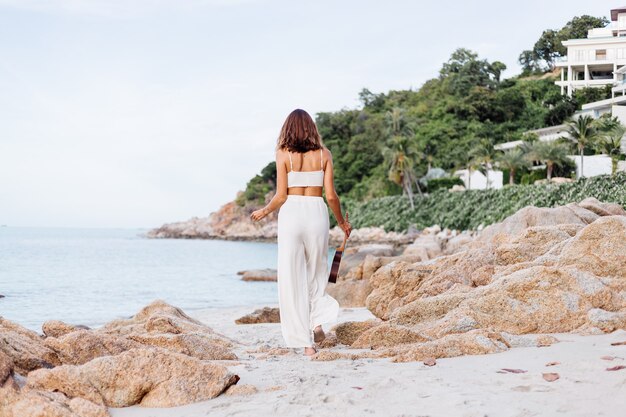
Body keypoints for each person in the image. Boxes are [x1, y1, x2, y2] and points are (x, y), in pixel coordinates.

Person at [250, 108, 352, 357]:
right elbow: (330, 195)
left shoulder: (283, 154)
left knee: (292, 276)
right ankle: (317, 323)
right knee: (317, 271)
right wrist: (341, 222)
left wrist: (264, 212)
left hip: (291, 214)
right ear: (311, 128)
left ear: (288, 129)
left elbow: (281, 196)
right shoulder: (324, 155)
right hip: (317, 213)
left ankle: (307, 344)